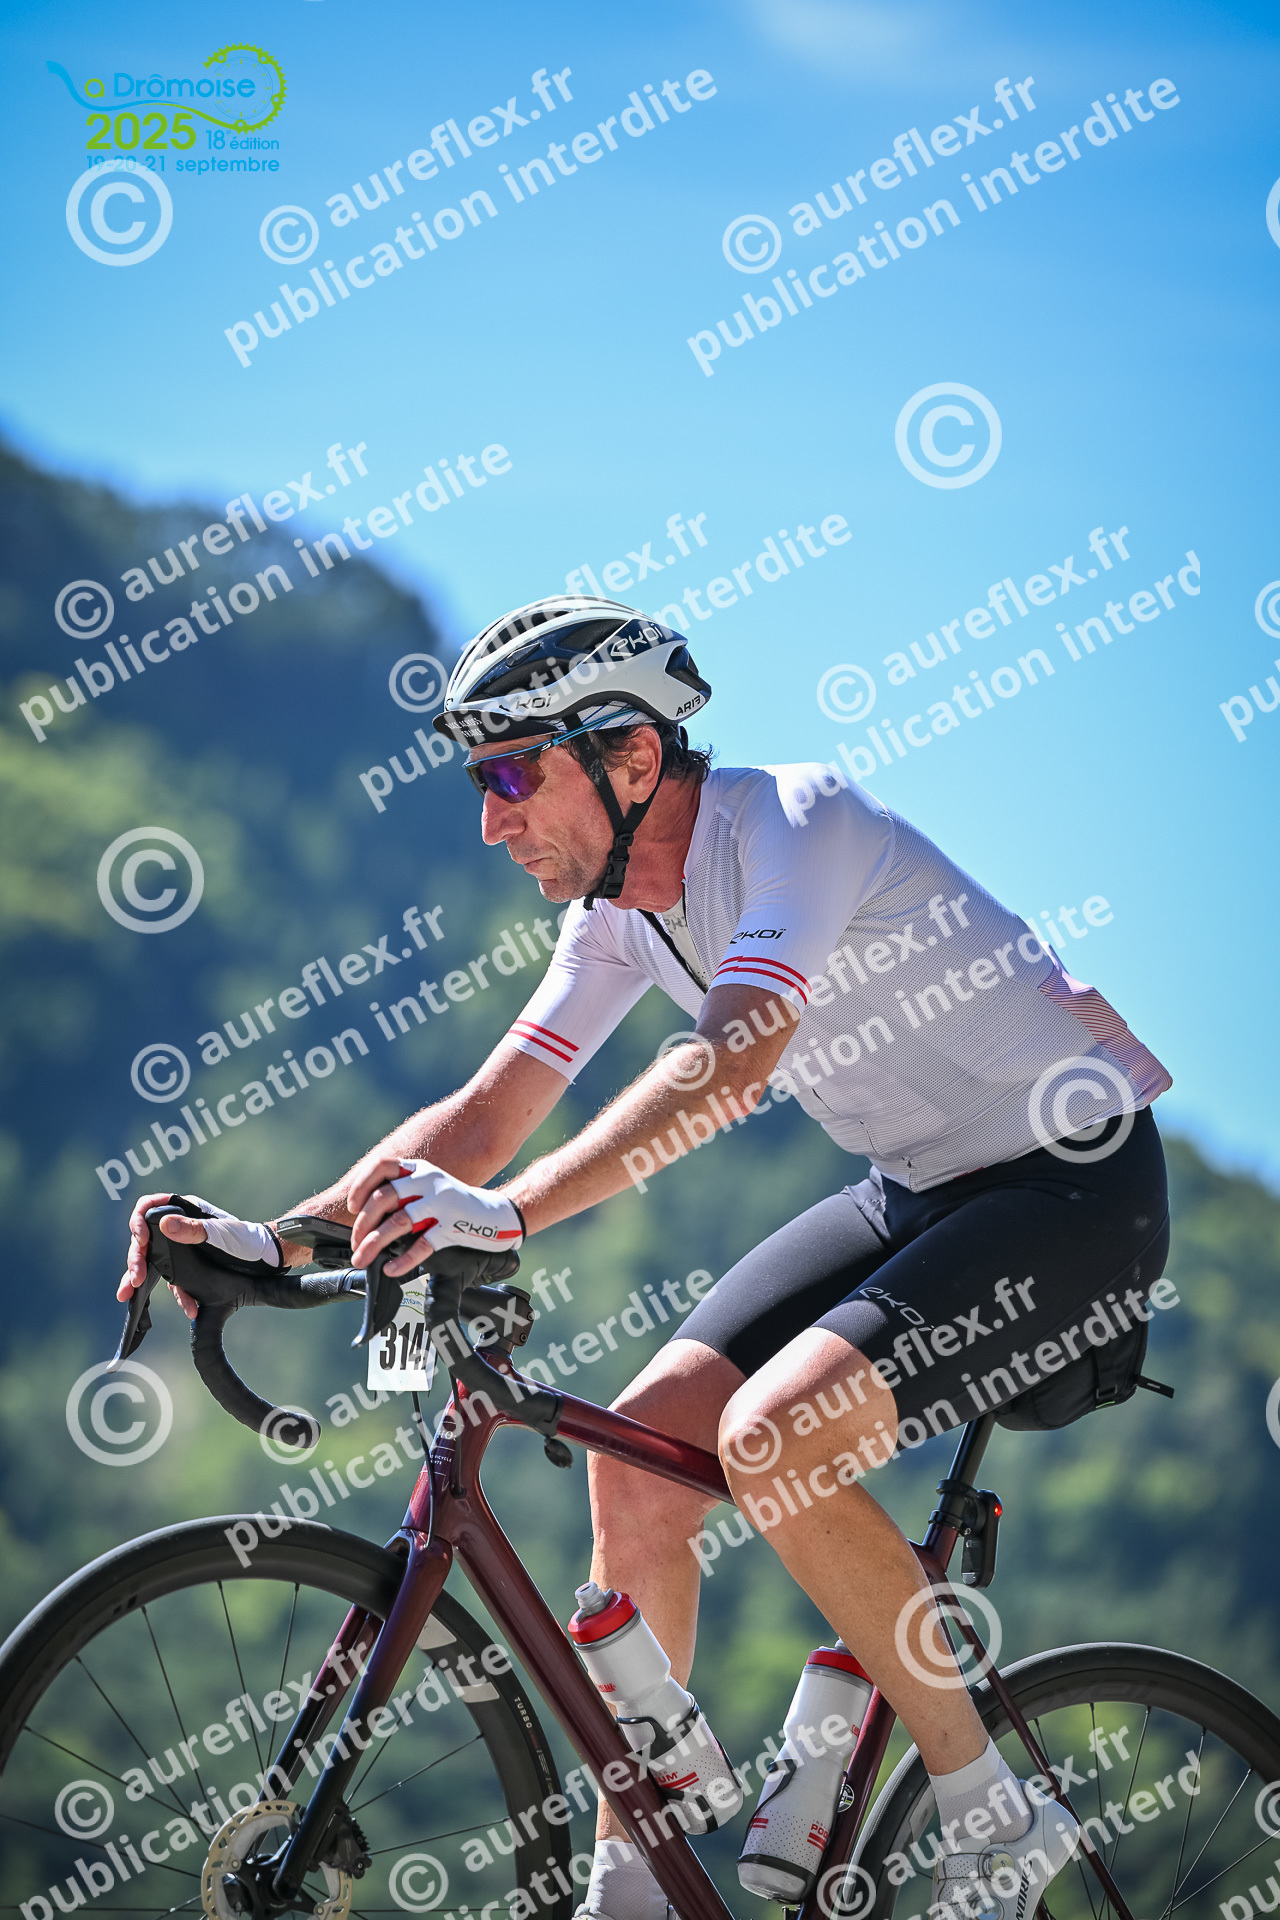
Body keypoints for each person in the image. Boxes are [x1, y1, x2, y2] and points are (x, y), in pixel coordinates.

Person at [119, 596, 1171, 1917]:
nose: (492, 821)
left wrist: (506, 1217)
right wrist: (276, 1238)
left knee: (774, 1437)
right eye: (479, 781)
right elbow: (486, 1117)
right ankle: (639, 1884)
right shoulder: (619, 912)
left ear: (629, 756)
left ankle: (991, 1813)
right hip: (914, 1192)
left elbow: (729, 1063)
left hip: (1074, 1190)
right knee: (634, 1462)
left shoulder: (798, 822)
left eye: (514, 775)